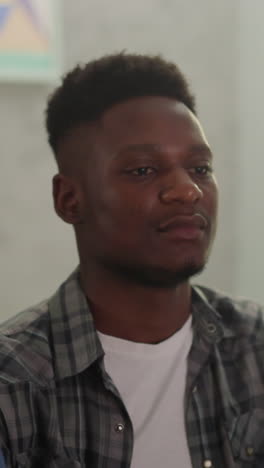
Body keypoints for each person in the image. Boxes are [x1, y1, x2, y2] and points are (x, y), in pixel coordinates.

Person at [0, 52, 264, 468]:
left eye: (200, 167)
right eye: (143, 170)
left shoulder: (255, 347)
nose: (187, 191)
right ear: (70, 200)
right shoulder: (12, 383)